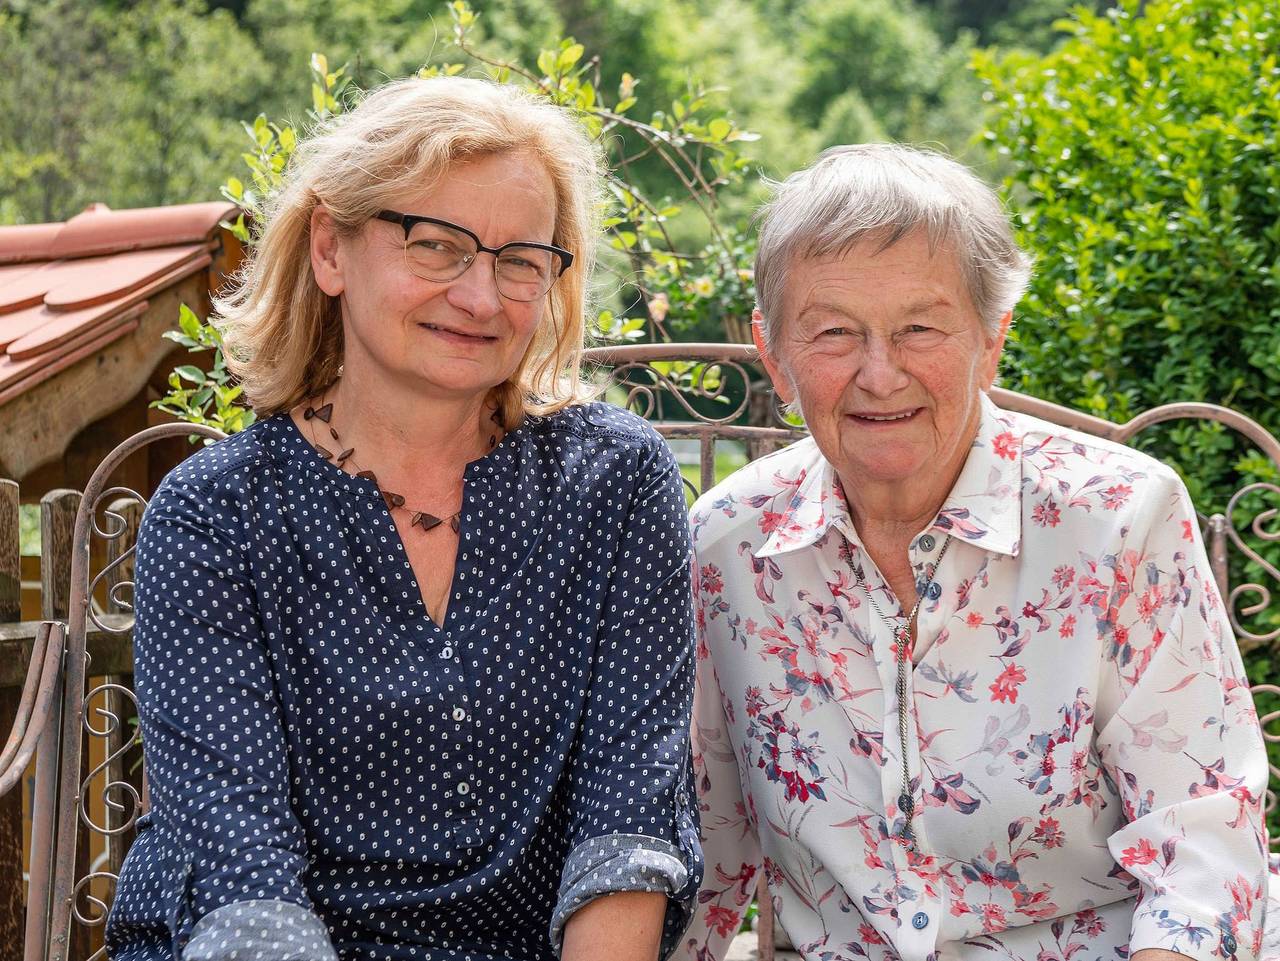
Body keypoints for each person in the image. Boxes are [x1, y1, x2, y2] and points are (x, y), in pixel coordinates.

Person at [107, 76, 701, 961]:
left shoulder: (614, 482)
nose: (482, 297)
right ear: (330, 249)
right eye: (437, 246)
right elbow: (242, 870)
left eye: (520, 260)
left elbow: (626, 821)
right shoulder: (216, 515)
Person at [678, 144, 1269, 961]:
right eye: (834, 331)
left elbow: (1202, 843)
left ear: (992, 339)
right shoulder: (727, 546)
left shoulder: (1118, 518)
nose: (879, 373)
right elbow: (700, 851)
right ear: (774, 352)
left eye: (919, 328)